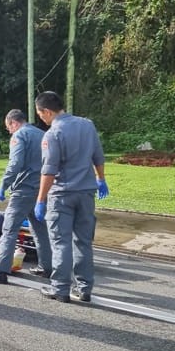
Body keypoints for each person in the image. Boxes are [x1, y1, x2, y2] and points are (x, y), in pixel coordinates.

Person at [33, 91, 108, 303]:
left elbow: (49, 171)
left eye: (40, 114)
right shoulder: (87, 125)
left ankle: (60, 288)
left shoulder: (52, 134)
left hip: (62, 195)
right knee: (83, 242)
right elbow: (98, 156)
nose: (41, 118)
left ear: (47, 111)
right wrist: (101, 179)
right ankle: (84, 288)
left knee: (61, 242)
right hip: (86, 193)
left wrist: (40, 200)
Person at [0, 109, 50, 284]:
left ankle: (1, 269)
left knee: (9, 229)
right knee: (40, 230)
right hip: (41, 188)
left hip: (24, 189)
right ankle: (47, 266)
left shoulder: (19, 135)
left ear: (13, 123)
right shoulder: (43, 135)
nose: (9, 132)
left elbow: (15, 163)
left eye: (8, 128)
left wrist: (4, 184)